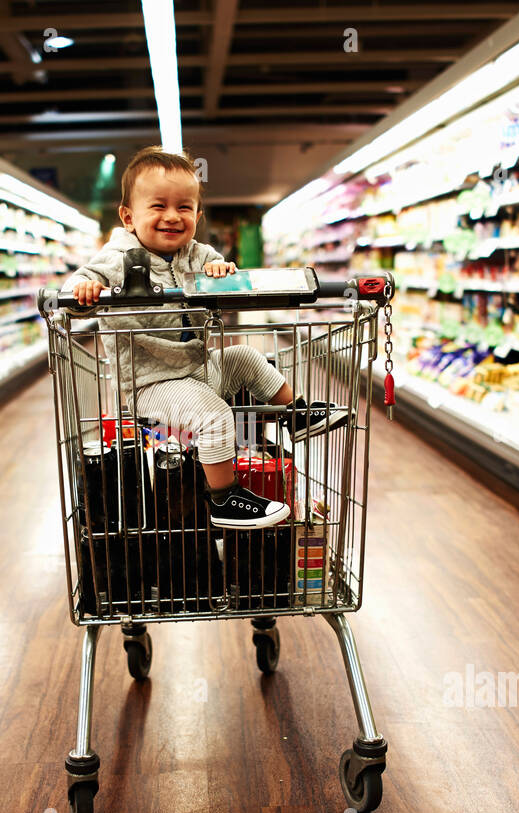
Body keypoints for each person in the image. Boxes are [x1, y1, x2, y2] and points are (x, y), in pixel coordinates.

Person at [62, 144, 347, 530]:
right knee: (214, 415)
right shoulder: (117, 259)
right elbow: (81, 284)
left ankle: (294, 414)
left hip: (197, 369)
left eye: (184, 207)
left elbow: (225, 271)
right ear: (129, 217)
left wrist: (222, 269)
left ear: (197, 215)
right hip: (151, 383)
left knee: (247, 356)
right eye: (158, 206)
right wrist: (82, 290)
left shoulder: (198, 253)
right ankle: (224, 497)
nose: (172, 216)